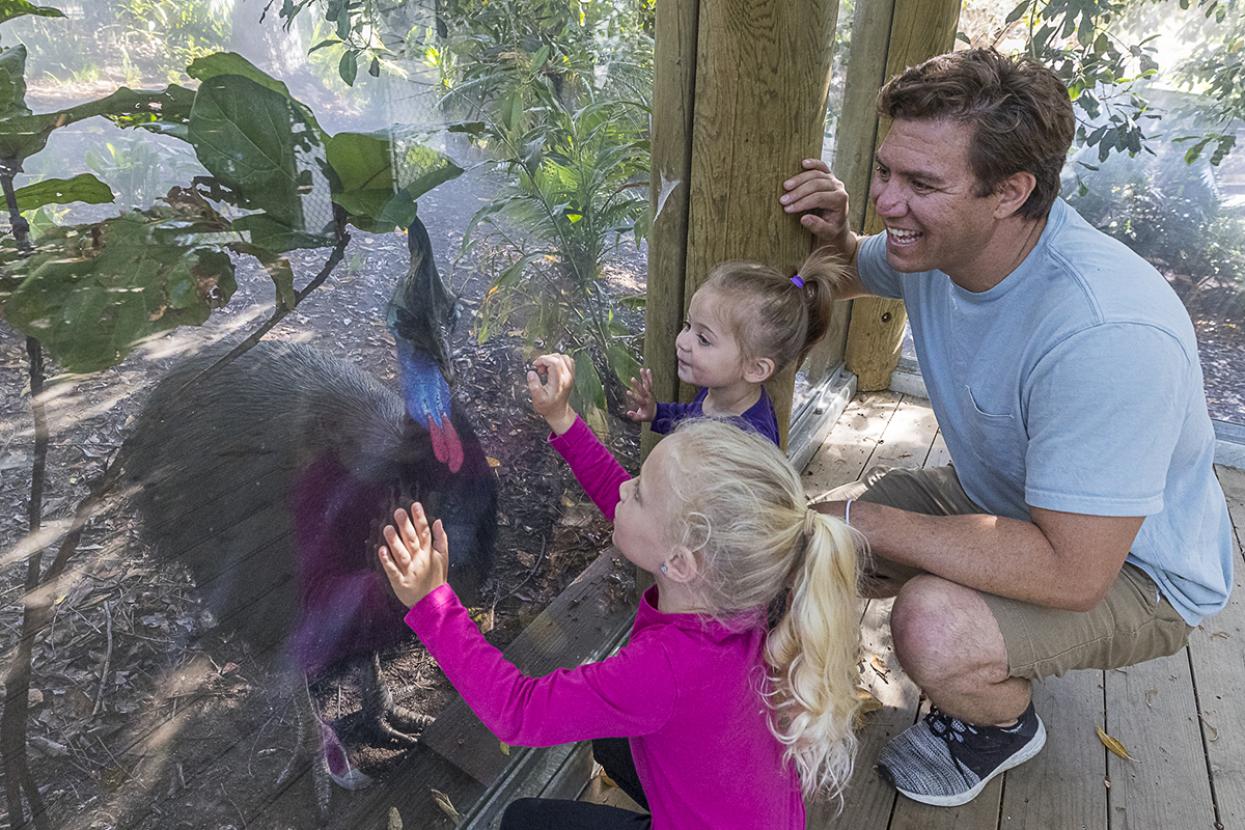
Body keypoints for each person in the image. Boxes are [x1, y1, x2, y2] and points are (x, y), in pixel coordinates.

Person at [778, 47, 1233, 807]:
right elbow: (858, 266)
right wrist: (832, 235)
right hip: (1019, 505)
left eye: (920, 184)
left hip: (1134, 568)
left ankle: (1000, 727)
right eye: (885, 171)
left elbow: (1073, 572)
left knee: (932, 623)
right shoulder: (938, 243)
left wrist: (864, 516)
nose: (887, 201)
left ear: (1010, 191)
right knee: (815, 549)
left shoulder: (1105, 331)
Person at [376, 354, 864, 829]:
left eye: (641, 491)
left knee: (523, 819)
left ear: (680, 562)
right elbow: (636, 515)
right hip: (750, 813)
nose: (625, 490)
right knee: (614, 743)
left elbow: (517, 711)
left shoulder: (664, 669)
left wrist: (432, 602)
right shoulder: (756, 593)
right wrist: (563, 420)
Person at [624, 250, 843, 445]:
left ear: (756, 369)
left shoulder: (749, 441)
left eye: (703, 339)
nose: (682, 341)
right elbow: (690, 417)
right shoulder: (717, 393)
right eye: (687, 326)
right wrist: (656, 412)